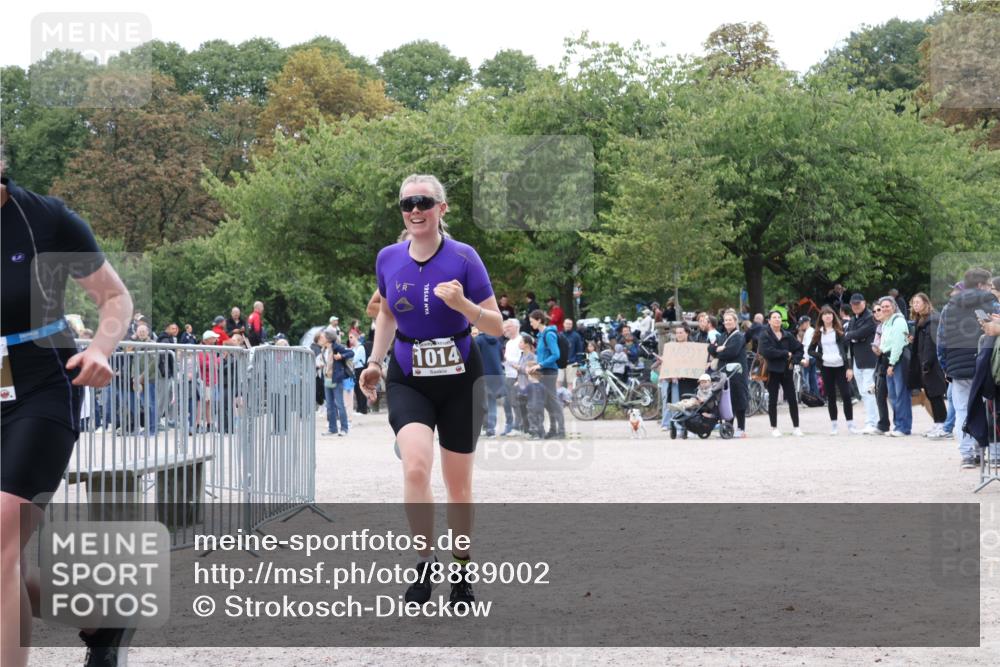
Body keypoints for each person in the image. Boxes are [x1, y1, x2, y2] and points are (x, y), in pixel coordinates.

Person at [2, 162, 134, 667]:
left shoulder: (45, 219)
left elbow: (114, 297)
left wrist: (101, 349)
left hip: (41, 387)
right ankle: (101, 619)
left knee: (2, 545)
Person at [358, 174, 502, 611]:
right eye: (407, 204)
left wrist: (464, 306)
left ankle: (461, 569)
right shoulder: (388, 257)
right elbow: (384, 313)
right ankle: (425, 562)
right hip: (409, 375)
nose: (415, 210)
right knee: (416, 467)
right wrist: (374, 362)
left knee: (459, 486)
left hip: (460, 376)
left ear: (442, 208)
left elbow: (495, 326)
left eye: (424, 202)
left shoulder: (464, 257)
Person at [938, 268, 1000, 468]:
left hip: (958, 367)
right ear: (982, 285)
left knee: (963, 409)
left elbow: (941, 340)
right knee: (991, 407)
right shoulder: (992, 303)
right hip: (987, 363)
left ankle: (967, 454)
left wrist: (946, 366)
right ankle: (995, 453)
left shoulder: (950, 307)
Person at [808, 306, 857, 435]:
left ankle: (850, 425)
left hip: (841, 367)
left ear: (833, 316)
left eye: (830, 314)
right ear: (821, 318)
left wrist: (849, 368)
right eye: (825, 314)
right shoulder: (818, 332)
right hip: (826, 368)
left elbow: (848, 351)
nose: (828, 316)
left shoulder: (839, 331)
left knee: (846, 395)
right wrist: (822, 357)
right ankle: (834, 426)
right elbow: (810, 350)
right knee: (831, 397)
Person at [758, 310, 804, 437]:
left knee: (792, 399)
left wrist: (794, 360)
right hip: (772, 371)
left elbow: (799, 349)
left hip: (786, 370)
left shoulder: (787, 335)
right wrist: (785, 353)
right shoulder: (765, 334)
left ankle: (796, 427)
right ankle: (774, 427)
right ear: (769, 320)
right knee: (773, 399)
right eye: (774, 317)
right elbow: (766, 351)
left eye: (779, 317)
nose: (777, 319)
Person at [909, 293, 948, 438]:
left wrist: (927, 363)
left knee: (936, 394)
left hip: (932, 364)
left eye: (918, 302)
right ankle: (938, 423)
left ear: (926, 302)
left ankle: (943, 425)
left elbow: (932, 344)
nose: (915, 305)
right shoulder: (922, 320)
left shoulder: (933, 319)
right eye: (913, 303)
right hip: (924, 362)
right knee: (931, 394)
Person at [709, 310, 749, 437]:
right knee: (727, 400)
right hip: (724, 373)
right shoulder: (722, 336)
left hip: (737, 373)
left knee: (739, 399)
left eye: (730, 320)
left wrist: (720, 350)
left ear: (735, 321)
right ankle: (729, 426)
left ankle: (741, 428)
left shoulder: (739, 336)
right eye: (725, 320)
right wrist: (718, 349)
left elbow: (732, 352)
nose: (727, 322)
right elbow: (711, 349)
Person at [654, 324, 698, 437]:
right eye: (677, 333)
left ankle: (691, 427)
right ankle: (678, 427)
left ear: (687, 333)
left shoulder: (693, 346)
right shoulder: (671, 347)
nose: (678, 335)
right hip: (674, 380)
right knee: (676, 403)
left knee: (689, 403)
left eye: (681, 332)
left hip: (689, 379)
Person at [528, 309, 566, 439]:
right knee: (548, 403)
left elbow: (556, 354)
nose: (531, 324)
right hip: (543, 371)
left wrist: (540, 364)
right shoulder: (541, 335)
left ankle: (561, 431)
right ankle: (553, 430)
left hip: (549, 371)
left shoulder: (549, 334)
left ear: (539, 320)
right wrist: (536, 363)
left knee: (553, 401)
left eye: (532, 321)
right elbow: (544, 354)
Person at [877, 297, 912, 437]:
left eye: (887, 306)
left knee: (901, 394)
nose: (884, 309)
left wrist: (892, 363)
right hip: (887, 359)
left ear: (894, 307)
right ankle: (898, 424)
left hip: (898, 359)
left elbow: (898, 344)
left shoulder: (899, 321)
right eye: (882, 307)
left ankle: (904, 427)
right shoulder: (886, 323)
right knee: (892, 395)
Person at [473, 326, 504, 437]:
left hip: (483, 374)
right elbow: (501, 357)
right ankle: (490, 428)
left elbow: (474, 358)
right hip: (496, 374)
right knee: (492, 402)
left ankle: (483, 426)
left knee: (479, 403)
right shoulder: (497, 340)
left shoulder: (478, 340)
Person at [321, 330, 353, 436]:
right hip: (327, 379)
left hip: (336, 379)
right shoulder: (324, 349)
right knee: (329, 405)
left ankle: (344, 428)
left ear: (328, 338)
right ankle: (332, 428)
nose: (321, 338)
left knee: (339, 404)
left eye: (323, 336)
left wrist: (341, 356)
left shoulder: (336, 347)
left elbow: (351, 353)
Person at [500, 318, 521, 436]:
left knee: (516, 402)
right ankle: (509, 425)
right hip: (508, 375)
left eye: (508, 327)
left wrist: (509, 360)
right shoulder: (507, 343)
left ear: (516, 327)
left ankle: (518, 427)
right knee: (506, 402)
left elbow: (521, 359)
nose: (505, 329)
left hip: (517, 375)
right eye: (505, 327)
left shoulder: (521, 340)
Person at [796, 316, 818, 396]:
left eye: (802, 324)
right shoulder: (810, 331)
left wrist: (806, 359)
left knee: (806, 377)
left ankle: (810, 395)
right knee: (812, 377)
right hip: (812, 357)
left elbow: (808, 347)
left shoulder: (809, 332)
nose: (801, 326)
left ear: (807, 322)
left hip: (809, 357)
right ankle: (815, 395)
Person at [561, 318, 584, 391]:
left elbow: (580, 350)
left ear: (572, 325)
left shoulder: (576, 336)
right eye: (567, 324)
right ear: (563, 324)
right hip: (560, 363)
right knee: (558, 382)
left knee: (570, 383)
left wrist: (578, 364)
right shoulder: (559, 335)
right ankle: (559, 400)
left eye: (570, 324)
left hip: (572, 363)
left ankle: (568, 400)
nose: (568, 325)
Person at [348, 330, 368, 415]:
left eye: (351, 337)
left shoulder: (360, 348)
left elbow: (354, 359)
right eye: (349, 338)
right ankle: (359, 408)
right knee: (357, 389)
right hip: (356, 370)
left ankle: (363, 409)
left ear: (356, 337)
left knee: (361, 389)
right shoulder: (354, 348)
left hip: (361, 369)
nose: (350, 339)